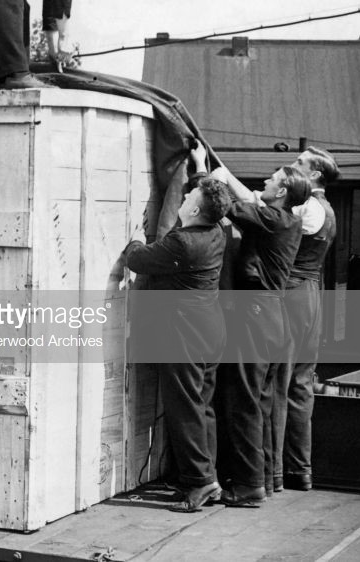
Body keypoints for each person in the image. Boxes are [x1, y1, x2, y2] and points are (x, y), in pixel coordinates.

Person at [124, 142, 232, 512]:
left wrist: (135, 235)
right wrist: (199, 165)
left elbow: (138, 259)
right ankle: (210, 479)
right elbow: (206, 191)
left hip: (185, 336)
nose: (184, 196)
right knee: (202, 407)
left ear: (195, 209)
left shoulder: (183, 243)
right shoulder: (216, 228)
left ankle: (199, 483)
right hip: (209, 330)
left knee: (185, 410)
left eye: (190, 196)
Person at [209, 162, 311, 506]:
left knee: (244, 402)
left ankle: (249, 486)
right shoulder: (283, 219)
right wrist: (225, 172)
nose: (265, 180)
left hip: (254, 316)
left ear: (281, 191)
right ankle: (265, 479)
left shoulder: (271, 219)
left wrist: (204, 174)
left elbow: (224, 204)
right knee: (262, 402)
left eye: (272, 179)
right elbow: (250, 198)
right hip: (271, 318)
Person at [279, 148, 339, 492]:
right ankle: (300, 471)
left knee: (280, 383)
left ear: (313, 174)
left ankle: (277, 473)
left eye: (299, 163)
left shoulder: (308, 207)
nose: (292, 166)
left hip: (294, 295)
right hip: (311, 294)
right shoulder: (326, 209)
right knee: (300, 387)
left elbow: (261, 208)